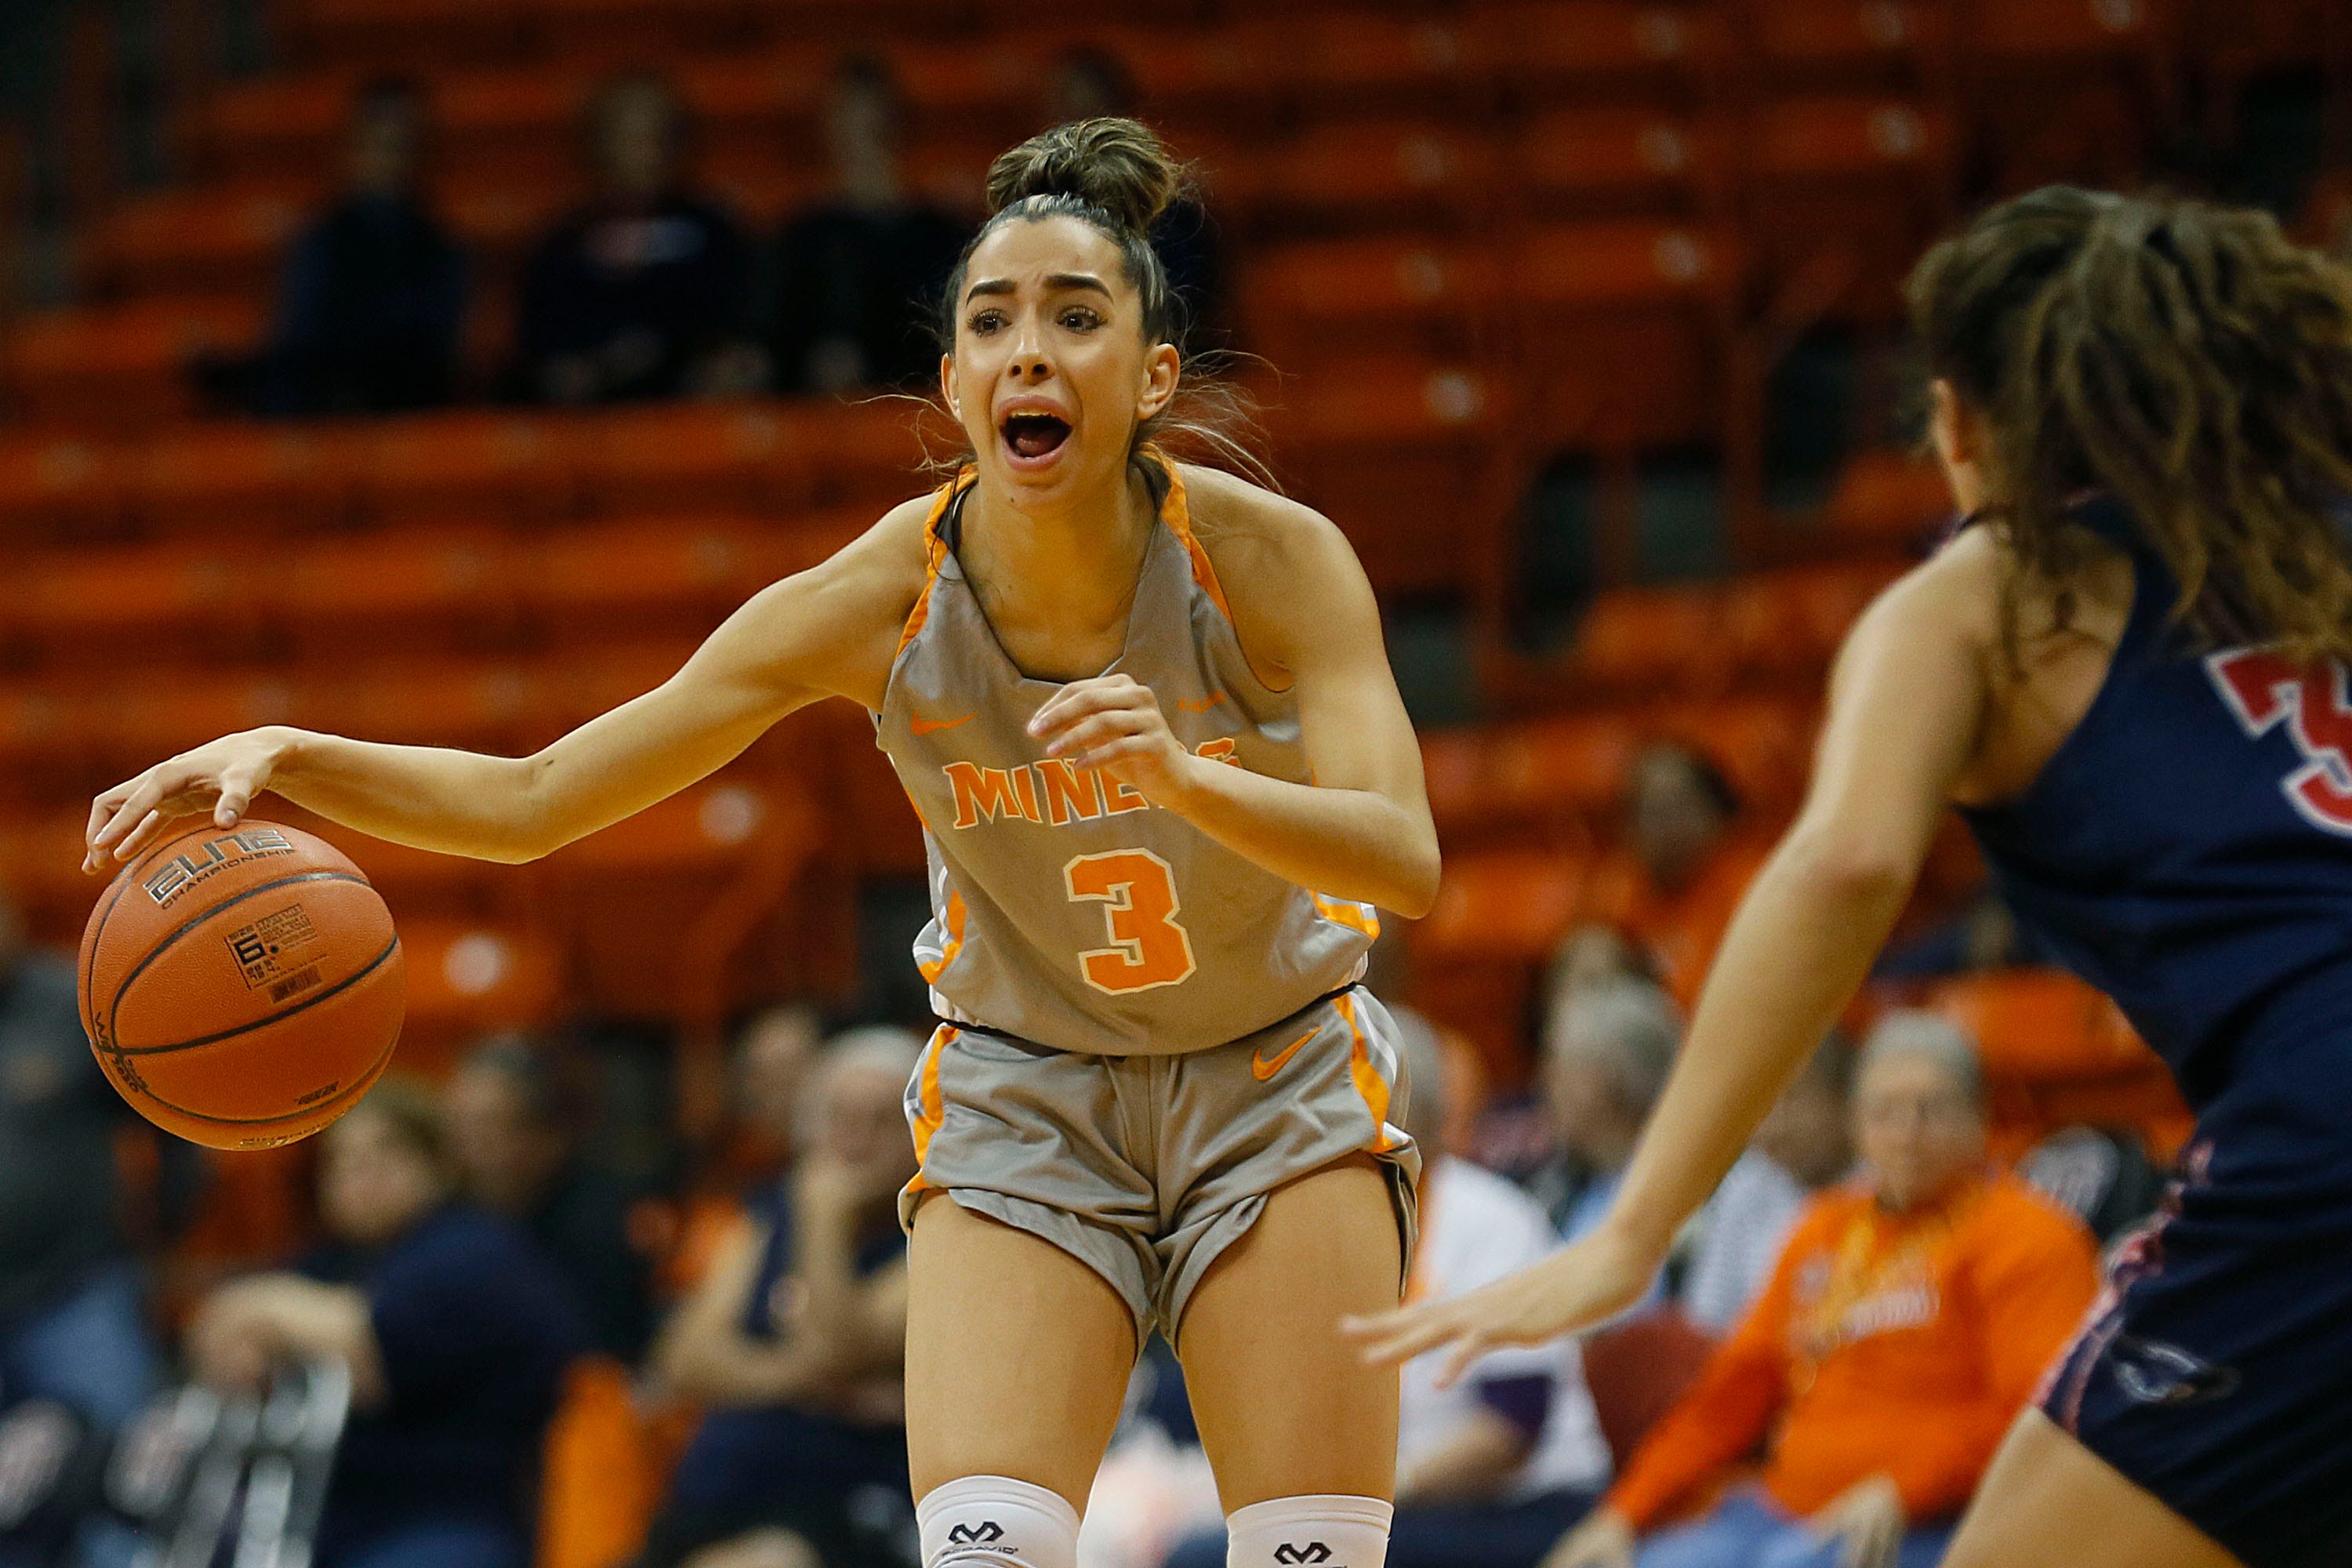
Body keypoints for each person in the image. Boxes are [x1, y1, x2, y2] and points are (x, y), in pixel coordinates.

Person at [86, 115, 1439, 1568]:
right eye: (991, 322)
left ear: (1155, 375)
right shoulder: (879, 598)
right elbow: (538, 799)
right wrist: (297, 755)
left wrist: (1183, 780)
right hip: (1030, 1094)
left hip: (1272, 1074)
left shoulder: (1270, 561)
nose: (1028, 353)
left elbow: (1401, 859)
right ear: (954, 383)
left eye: (1074, 317)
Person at [1350, 186, 2352, 1568]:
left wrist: (1635, 1228)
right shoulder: (2315, 552)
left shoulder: (1989, 592)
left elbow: (1846, 866)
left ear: (1961, 422)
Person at [1543, 1014, 2099, 1568]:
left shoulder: (2031, 1237)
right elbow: (1732, 1391)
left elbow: (2041, 1416)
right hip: (1786, 1510)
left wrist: (1906, 1488)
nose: (1906, 1131)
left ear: (1979, 1119)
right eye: (1883, 1111)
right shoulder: (1823, 1228)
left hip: (1938, 1518)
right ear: (1855, 1123)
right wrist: (1623, 1513)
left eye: (1931, 1109)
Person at [187, 1081, 587, 1568]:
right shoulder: (335, 1260)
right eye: (342, 1159)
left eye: (384, 1151)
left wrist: (265, 1308)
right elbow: (217, 1340)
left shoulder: (474, 1249)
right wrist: (263, 1317)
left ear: (437, 1163)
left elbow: (367, 1355)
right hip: (332, 1516)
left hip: (444, 1515)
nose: (360, 1172)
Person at [637, 1027, 925, 1568]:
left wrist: (823, 1215)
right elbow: (682, 1357)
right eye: (841, 1118)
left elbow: (838, 1348)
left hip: (845, 1498)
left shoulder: (930, 1234)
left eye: (881, 1122)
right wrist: (819, 1385)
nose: (857, 1139)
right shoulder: (765, 1218)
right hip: (718, 1493)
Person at [0, 884, 191, 1568]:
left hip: (75, 1291)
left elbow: (172, 1114)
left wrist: (165, 1223)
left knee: (124, 1485)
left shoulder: (74, 1006)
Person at [513, 73, 757, 405]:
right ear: (599, 142)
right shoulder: (563, 241)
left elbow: (734, 323)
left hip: (691, 404)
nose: (645, 150)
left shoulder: (713, 230)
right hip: (594, 412)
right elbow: (543, 345)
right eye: (630, 135)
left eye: (657, 134)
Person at [249, 78, 465, 416]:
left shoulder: (441, 249)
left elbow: (437, 353)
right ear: (350, 149)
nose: (388, 161)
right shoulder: (318, 245)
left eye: (401, 146)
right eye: (377, 144)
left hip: (409, 413)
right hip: (324, 412)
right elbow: (297, 344)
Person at [768, 56, 971, 396]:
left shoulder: (940, 234)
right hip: (825, 414)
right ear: (828, 129)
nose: (861, 135)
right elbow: (774, 341)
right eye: (849, 119)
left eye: (871, 121)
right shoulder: (802, 239)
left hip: (925, 404)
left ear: (895, 124)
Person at [444, 1034, 653, 1362]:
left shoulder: (597, 1225)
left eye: (488, 1126)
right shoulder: (446, 1209)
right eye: (458, 1122)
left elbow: (596, 1354)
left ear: (549, 1138)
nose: (464, 1144)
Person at [1676, 1033, 1853, 1334]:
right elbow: (1707, 1319)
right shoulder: (1749, 1180)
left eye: (1793, 1097)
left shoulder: (1889, 1179)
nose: (1776, 1123)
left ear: (1843, 1097)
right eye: (1761, 1103)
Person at [1576, 746, 1768, 1012]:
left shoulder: (1753, 888)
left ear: (1715, 812)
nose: (1666, 825)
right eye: (1650, 811)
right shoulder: (1617, 891)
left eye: (1678, 806)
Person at [1524, 978, 1680, 1246]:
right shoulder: (1556, 1186)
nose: (1545, 1082)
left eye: (1560, 1067)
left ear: (1610, 1078)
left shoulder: (1690, 1193)